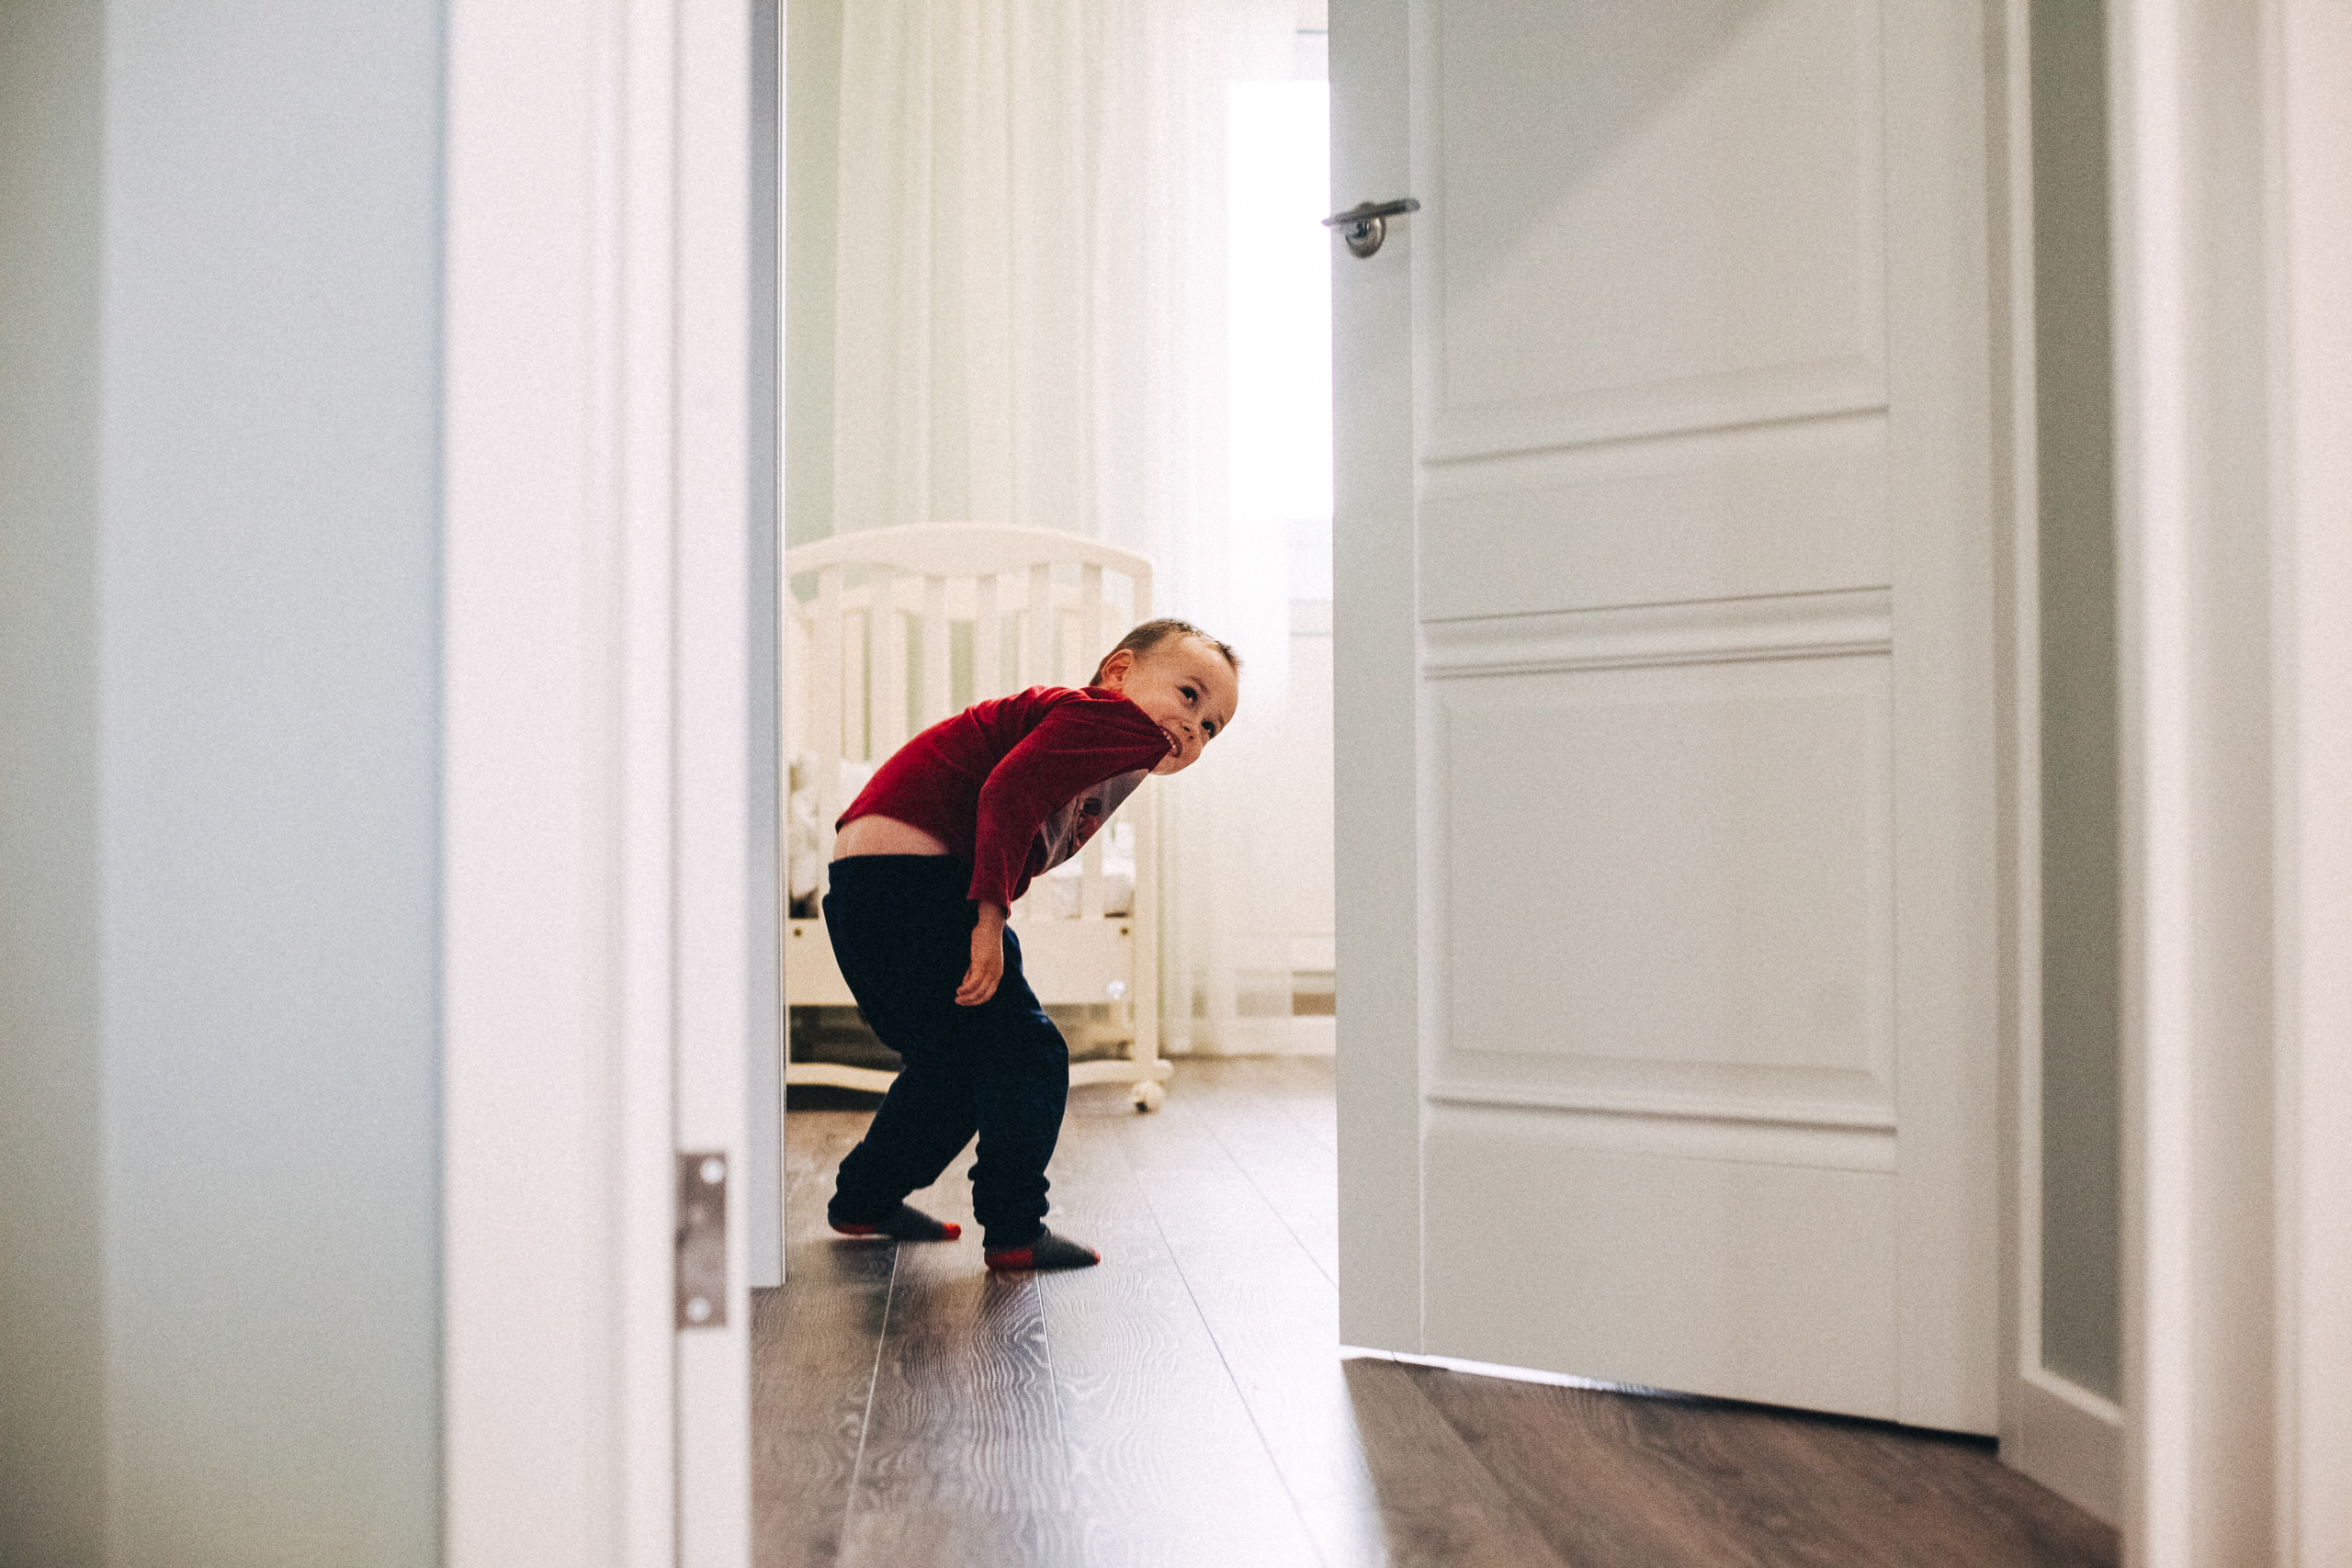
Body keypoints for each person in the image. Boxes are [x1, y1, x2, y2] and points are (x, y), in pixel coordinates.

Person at [823, 617, 1241, 1270]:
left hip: (862, 887)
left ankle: (865, 1198)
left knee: (951, 1063)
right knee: (1029, 1052)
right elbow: (1007, 792)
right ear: (1120, 673)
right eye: (1189, 695)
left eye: (1213, 726)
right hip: (920, 879)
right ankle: (1016, 1226)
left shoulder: (1098, 744)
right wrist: (988, 923)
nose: (1195, 728)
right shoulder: (1106, 718)